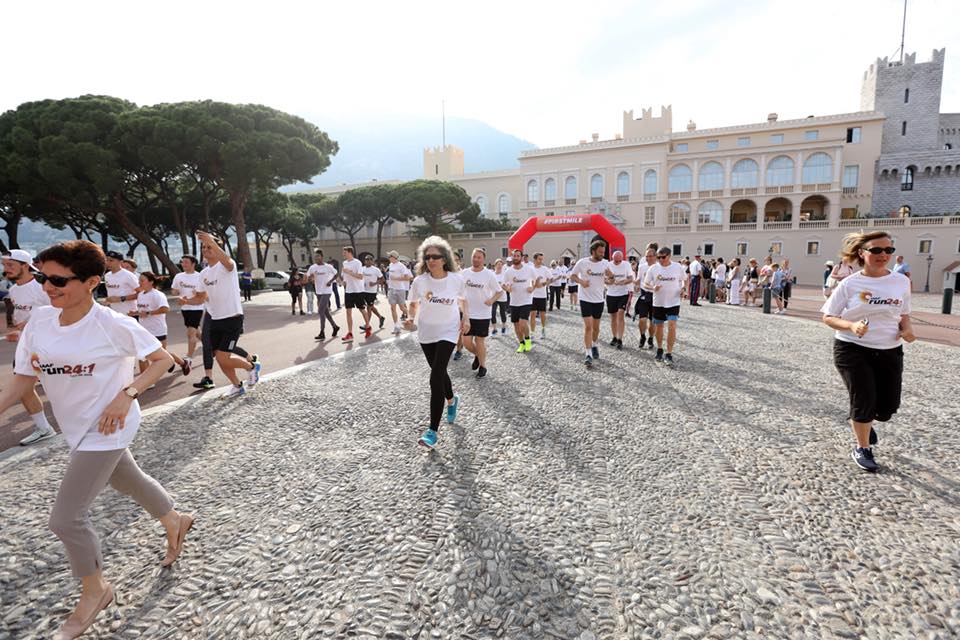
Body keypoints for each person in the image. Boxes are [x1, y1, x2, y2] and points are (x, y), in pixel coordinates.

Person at [0, 240, 193, 639]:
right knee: (127, 480)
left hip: (108, 426)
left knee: (66, 518)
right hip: (76, 425)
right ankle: (176, 519)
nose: (48, 287)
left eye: (58, 280)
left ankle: (96, 591)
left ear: (91, 282)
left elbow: (161, 360)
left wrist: (127, 396)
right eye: (42, 277)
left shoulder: (112, 324)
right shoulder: (40, 320)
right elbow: (23, 380)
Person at [822, 231, 914, 472]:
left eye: (888, 250)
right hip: (852, 349)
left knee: (886, 408)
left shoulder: (901, 281)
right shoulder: (850, 283)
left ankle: (864, 421)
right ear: (862, 253)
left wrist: (907, 329)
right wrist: (851, 325)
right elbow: (828, 317)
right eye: (876, 250)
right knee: (863, 399)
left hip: (889, 350)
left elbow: (903, 312)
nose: (883, 255)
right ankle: (862, 447)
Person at [404, 236, 468, 449]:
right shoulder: (420, 281)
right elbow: (413, 303)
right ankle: (451, 399)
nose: (431, 260)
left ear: (444, 259)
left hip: (448, 331)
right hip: (426, 332)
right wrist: (410, 318)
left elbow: (463, 299)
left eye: (435, 256)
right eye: (427, 256)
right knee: (438, 372)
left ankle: (432, 431)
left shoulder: (456, 279)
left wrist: (465, 319)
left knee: (435, 376)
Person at [183, 232, 261, 397]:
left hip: (232, 318)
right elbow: (200, 298)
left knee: (224, 358)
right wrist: (187, 301)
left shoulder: (227, 265)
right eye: (204, 247)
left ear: (218, 248)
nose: (206, 249)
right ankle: (237, 385)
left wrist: (212, 241)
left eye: (209, 246)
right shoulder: (203, 274)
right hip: (216, 320)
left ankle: (252, 367)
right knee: (220, 358)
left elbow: (227, 261)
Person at [3, 249, 56, 445]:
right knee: (24, 388)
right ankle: (43, 428)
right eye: (4, 265)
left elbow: (59, 312)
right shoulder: (14, 290)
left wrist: (31, 326)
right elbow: (23, 316)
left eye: (11, 265)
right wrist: (19, 330)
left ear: (25, 266)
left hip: (49, 346)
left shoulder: (42, 286)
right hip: (26, 347)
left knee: (66, 385)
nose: (6, 269)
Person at [132, 271, 191, 376]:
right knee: (142, 354)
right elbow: (143, 311)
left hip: (157, 329)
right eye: (139, 280)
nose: (139, 282)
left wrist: (149, 313)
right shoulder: (140, 294)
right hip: (144, 329)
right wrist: (135, 313)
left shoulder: (158, 295)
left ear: (151, 282)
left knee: (162, 353)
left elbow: (165, 309)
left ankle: (182, 363)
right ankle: (145, 380)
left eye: (142, 280)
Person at [569, 240, 611, 368]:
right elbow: (572, 276)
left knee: (596, 328)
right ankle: (588, 354)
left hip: (599, 299)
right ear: (593, 251)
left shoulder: (605, 263)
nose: (602, 254)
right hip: (585, 299)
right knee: (588, 327)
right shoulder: (582, 262)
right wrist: (582, 282)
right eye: (600, 252)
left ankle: (594, 344)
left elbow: (610, 280)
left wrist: (611, 276)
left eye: (603, 252)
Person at [461, 248, 501, 378]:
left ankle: (483, 366)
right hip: (467, 313)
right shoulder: (464, 273)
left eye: (479, 257)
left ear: (483, 259)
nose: (476, 259)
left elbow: (499, 291)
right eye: (474, 256)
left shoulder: (489, 274)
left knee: (479, 341)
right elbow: (458, 291)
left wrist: (492, 300)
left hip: (483, 313)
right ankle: (478, 355)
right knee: (466, 342)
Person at [643, 246, 686, 365]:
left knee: (672, 325)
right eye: (658, 257)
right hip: (658, 302)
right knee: (659, 327)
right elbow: (645, 284)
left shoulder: (677, 267)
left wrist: (683, 288)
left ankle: (669, 353)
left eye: (663, 257)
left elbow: (685, 279)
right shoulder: (653, 268)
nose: (660, 259)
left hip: (674, 301)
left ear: (669, 256)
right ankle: (660, 349)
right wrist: (653, 287)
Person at [500, 249, 536, 353]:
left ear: (521, 257)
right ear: (512, 257)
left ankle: (528, 340)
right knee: (516, 325)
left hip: (526, 300)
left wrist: (532, 288)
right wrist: (507, 289)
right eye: (514, 256)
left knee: (522, 323)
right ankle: (521, 344)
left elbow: (536, 280)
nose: (516, 257)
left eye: (518, 256)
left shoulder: (529, 269)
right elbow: (503, 284)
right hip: (514, 302)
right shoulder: (509, 271)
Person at [170, 255, 203, 367]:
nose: (183, 264)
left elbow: (204, 293)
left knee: (190, 333)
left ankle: (188, 357)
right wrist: (176, 293)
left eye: (186, 262)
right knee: (196, 331)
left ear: (193, 264)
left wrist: (197, 294)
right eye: (182, 262)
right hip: (185, 308)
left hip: (197, 307)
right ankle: (210, 346)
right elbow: (174, 291)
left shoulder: (200, 276)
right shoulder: (179, 276)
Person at [307, 251, 340, 340]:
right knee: (325, 312)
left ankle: (322, 332)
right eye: (315, 257)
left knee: (321, 310)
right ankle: (335, 326)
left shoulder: (328, 267)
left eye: (318, 257)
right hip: (318, 291)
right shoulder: (313, 267)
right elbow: (308, 277)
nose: (316, 258)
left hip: (327, 291)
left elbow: (336, 274)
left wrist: (330, 281)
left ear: (322, 257)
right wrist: (310, 279)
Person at [604, 250, 633, 350]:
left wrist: (624, 282)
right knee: (613, 317)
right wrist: (610, 282)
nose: (617, 262)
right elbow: (604, 280)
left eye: (619, 261)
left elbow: (630, 278)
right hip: (611, 294)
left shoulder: (626, 265)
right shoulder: (607, 265)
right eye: (615, 261)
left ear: (622, 259)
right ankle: (614, 337)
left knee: (621, 314)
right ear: (612, 258)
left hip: (623, 293)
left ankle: (620, 339)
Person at [340, 247, 366, 342]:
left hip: (358, 290)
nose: (343, 254)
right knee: (348, 311)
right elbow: (344, 278)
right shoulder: (344, 263)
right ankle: (350, 333)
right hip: (348, 291)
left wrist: (349, 273)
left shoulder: (358, 263)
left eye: (345, 252)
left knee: (362, 310)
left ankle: (367, 326)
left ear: (350, 252)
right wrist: (342, 282)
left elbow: (360, 277)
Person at [102, 250, 139, 316]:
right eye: (106, 260)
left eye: (111, 260)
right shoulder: (107, 275)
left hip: (129, 314)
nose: (108, 263)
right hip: (114, 314)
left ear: (120, 262)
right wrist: (108, 300)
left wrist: (121, 298)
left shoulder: (128, 275)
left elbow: (142, 293)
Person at [634, 246, 657, 349]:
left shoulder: (659, 267)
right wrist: (635, 284)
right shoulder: (642, 267)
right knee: (642, 319)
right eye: (647, 256)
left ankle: (651, 337)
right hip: (644, 295)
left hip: (655, 296)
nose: (648, 258)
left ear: (655, 256)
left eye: (650, 256)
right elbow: (638, 279)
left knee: (653, 321)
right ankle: (642, 336)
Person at [386, 250, 413, 335]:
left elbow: (408, 278)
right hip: (391, 289)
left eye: (389, 256)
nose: (388, 258)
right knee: (392, 308)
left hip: (400, 289)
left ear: (393, 257)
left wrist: (396, 279)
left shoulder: (401, 266)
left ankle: (410, 317)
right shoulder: (390, 265)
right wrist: (389, 281)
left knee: (402, 308)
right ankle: (396, 326)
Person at [529, 252, 552, 339]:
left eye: (542, 259)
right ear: (535, 259)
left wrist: (543, 284)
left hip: (542, 296)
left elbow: (551, 279)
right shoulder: (530, 269)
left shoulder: (545, 269)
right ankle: (532, 333)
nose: (541, 261)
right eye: (539, 259)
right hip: (532, 296)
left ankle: (543, 329)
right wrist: (533, 285)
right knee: (532, 315)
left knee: (542, 314)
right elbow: (528, 280)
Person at [361, 254, 386, 334]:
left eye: (369, 259)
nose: (367, 261)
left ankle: (367, 325)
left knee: (369, 308)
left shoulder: (376, 270)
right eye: (366, 259)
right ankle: (380, 317)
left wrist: (375, 283)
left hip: (372, 292)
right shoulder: (362, 269)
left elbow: (383, 280)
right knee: (371, 307)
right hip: (363, 291)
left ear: (372, 261)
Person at [490, 258, 509, 337]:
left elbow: (507, 288)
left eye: (501, 265)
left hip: (502, 297)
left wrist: (504, 287)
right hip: (494, 297)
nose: (499, 266)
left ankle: (504, 327)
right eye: (498, 264)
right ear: (495, 265)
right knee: (492, 313)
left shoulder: (504, 275)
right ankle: (494, 329)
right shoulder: (492, 275)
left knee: (502, 313)